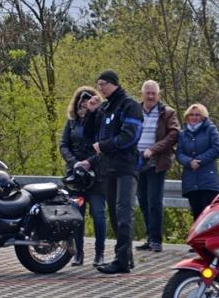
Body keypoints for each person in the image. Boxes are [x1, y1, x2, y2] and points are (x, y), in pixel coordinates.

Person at [88, 69, 143, 275]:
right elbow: (89, 134)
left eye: (102, 84)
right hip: (108, 167)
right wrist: (91, 112)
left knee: (123, 213)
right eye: (98, 85)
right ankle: (126, 258)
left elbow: (130, 136)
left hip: (126, 166)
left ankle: (121, 261)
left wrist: (104, 146)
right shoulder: (105, 107)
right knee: (113, 213)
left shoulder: (129, 105)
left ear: (113, 83)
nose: (100, 89)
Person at [59, 86, 107, 267]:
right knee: (76, 215)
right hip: (76, 177)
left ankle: (100, 254)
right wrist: (74, 163)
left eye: (88, 100)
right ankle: (78, 253)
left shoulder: (101, 121)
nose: (84, 103)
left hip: (96, 175)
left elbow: (104, 146)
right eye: (81, 100)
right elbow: (63, 145)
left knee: (99, 214)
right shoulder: (72, 122)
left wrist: (89, 162)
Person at [135, 80, 180, 253]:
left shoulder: (167, 112)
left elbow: (174, 134)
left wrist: (153, 149)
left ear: (158, 95)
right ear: (142, 94)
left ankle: (156, 240)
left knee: (154, 201)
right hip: (137, 163)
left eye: (153, 93)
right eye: (148, 93)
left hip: (157, 163)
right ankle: (149, 237)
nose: (150, 96)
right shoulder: (134, 110)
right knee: (143, 201)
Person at [176, 103, 219, 220]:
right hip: (191, 182)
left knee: (208, 218)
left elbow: (217, 149)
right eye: (191, 115)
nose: (194, 117)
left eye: (197, 115)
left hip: (208, 181)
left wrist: (199, 161)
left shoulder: (211, 129)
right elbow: (179, 154)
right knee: (197, 218)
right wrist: (189, 162)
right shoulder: (182, 134)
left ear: (203, 117)